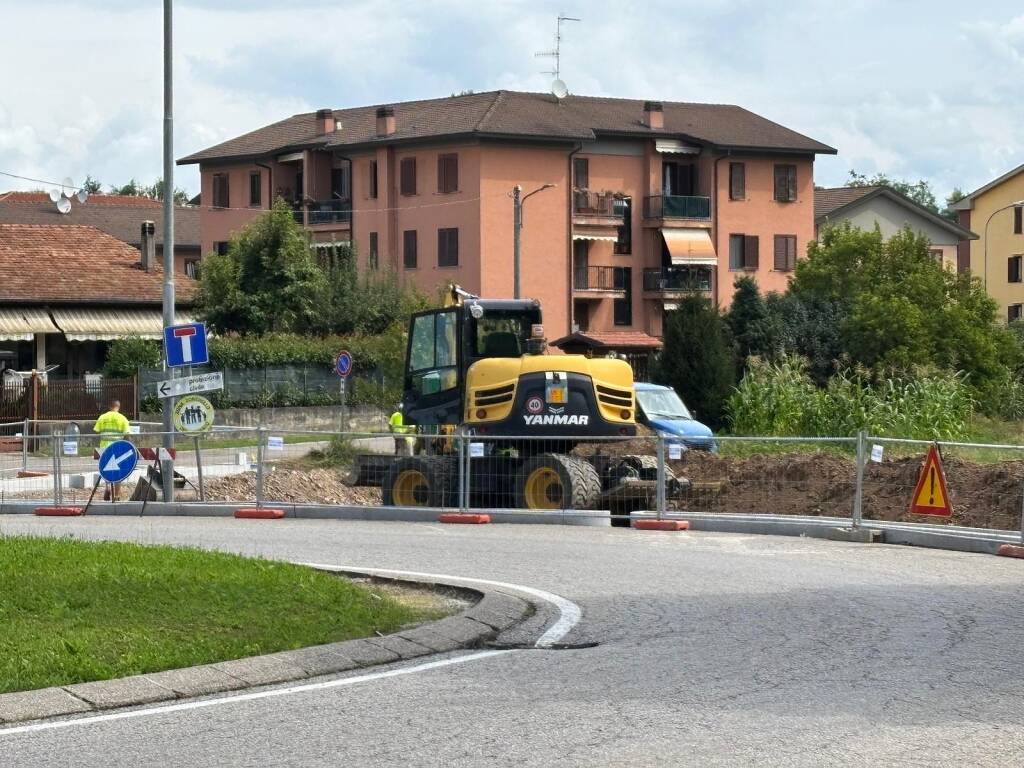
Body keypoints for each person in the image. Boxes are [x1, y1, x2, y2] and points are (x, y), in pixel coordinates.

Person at [94, 399, 131, 501]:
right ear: (118, 407)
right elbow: (127, 435)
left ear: (110, 407)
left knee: (106, 469)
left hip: (104, 448)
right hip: (117, 448)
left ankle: (107, 488)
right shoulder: (123, 418)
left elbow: (97, 431)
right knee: (118, 472)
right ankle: (116, 495)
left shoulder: (102, 417)